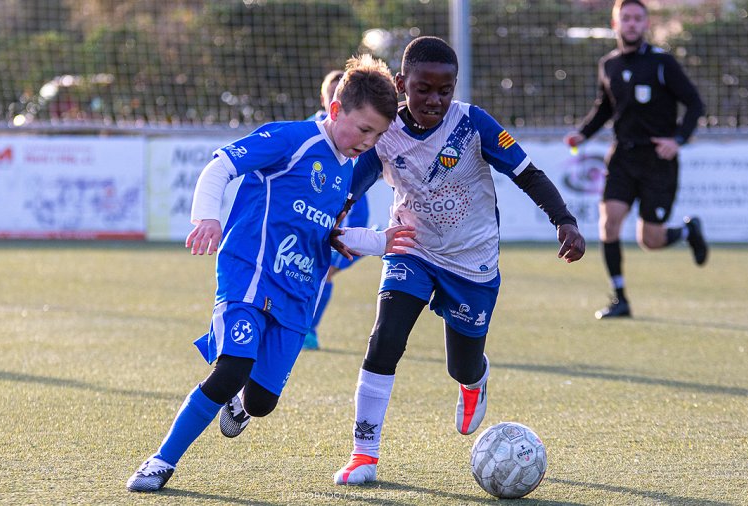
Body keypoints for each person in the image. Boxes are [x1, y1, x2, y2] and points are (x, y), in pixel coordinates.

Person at [125, 54, 414, 492]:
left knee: (261, 402)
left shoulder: (346, 174)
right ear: (335, 110)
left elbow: (332, 235)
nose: (367, 142)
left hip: (298, 297)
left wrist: (379, 241)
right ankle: (161, 461)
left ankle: (242, 405)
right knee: (231, 369)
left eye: (376, 135)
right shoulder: (291, 139)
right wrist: (206, 217)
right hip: (249, 275)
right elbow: (220, 165)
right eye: (363, 129)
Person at [330, 36, 586, 486]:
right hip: (412, 249)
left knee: (461, 365)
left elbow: (527, 173)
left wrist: (564, 220)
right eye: (423, 89)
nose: (434, 99)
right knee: (385, 339)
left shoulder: (474, 124)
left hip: (473, 262)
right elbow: (351, 184)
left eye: (444, 90)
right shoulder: (384, 133)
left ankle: (474, 381)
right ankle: (363, 454)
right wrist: (334, 219)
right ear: (401, 83)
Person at [564, 0, 707, 320]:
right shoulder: (609, 64)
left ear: (646, 24)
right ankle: (620, 297)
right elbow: (605, 107)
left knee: (650, 240)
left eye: (637, 19)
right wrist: (582, 135)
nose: (631, 24)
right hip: (623, 156)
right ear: (615, 24)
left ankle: (687, 232)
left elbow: (695, 103)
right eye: (625, 18)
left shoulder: (662, 63)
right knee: (609, 221)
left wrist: (678, 140)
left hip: (658, 159)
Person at [303, 70, 371, 350]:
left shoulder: (361, 129)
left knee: (327, 270)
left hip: (348, 208)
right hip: (313, 208)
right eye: (331, 91)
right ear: (324, 98)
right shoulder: (309, 128)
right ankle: (297, 325)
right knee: (307, 270)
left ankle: (309, 330)